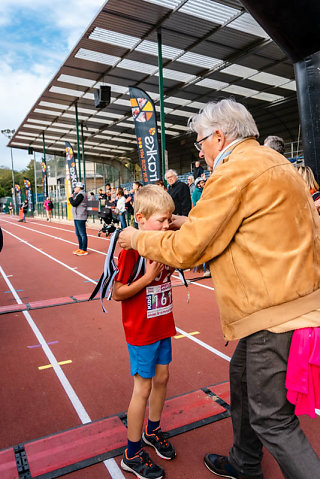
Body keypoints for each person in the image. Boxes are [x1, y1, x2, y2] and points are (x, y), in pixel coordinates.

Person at [118, 98, 320, 479]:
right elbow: (237, 223)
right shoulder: (276, 163)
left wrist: (136, 238)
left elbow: (187, 250)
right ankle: (244, 464)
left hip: (271, 310)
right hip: (295, 299)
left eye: (200, 142)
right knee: (241, 381)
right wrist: (182, 220)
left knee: (273, 419)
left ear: (219, 136)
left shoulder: (233, 171)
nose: (200, 151)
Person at [113, 185, 177, 479]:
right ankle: (132, 452)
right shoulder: (131, 250)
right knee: (143, 388)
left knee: (162, 378)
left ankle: (153, 430)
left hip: (163, 322)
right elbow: (118, 293)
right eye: (161, 220)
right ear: (140, 217)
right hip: (141, 330)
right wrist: (148, 278)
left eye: (169, 219)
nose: (167, 225)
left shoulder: (166, 243)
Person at [69, 181, 88, 256]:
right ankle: (80, 248)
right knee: (78, 233)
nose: (74, 189)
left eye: (76, 187)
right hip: (77, 216)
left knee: (82, 234)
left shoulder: (81, 194)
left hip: (81, 216)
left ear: (79, 188)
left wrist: (70, 198)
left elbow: (74, 203)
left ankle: (84, 249)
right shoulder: (78, 194)